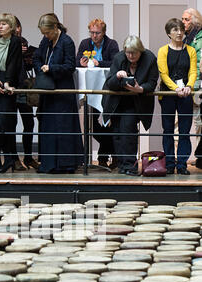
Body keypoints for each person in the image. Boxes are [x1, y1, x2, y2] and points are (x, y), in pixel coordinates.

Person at [33, 13, 83, 174]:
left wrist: (51, 68)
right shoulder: (45, 41)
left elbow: (70, 66)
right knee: (48, 127)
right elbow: (36, 58)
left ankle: (66, 164)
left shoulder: (67, 42)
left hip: (63, 91)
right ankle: (48, 164)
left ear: (55, 28)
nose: (46, 36)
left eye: (47, 32)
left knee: (63, 127)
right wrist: (41, 67)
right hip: (49, 90)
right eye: (43, 33)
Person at [102, 35, 158, 176]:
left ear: (141, 51)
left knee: (128, 132)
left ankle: (130, 165)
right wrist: (118, 76)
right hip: (116, 102)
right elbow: (110, 83)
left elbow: (152, 82)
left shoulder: (150, 58)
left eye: (134, 52)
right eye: (128, 52)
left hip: (135, 101)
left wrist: (141, 89)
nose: (131, 55)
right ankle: (122, 166)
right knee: (117, 134)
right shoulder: (119, 58)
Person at [76, 19, 119, 168]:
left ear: (104, 32)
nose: (94, 36)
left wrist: (99, 63)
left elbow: (115, 62)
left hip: (108, 89)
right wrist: (80, 63)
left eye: (97, 33)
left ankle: (105, 157)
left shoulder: (112, 44)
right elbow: (76, 61)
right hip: (91, 89)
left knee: (109, 124)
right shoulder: (84, 43)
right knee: (96, 127)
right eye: (92, 32)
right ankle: (109, 155)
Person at [158, 18, 197, 175]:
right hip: (167, 94)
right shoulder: (163, 51)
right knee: (168, 130)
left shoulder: (191, 50)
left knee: (184, 131)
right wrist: (176, 89)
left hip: (186, 94)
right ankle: (169, 163)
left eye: (181, 29)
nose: (179, 33)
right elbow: (163, 74)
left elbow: (193, 72)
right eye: (175, 30)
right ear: (169, 33)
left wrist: (188, 86)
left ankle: (181, 164)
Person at [0, 13, 22, 173]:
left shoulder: (14, 41)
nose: (1, 27)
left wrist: (7, 82)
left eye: (4, 24)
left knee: (4, 124)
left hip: (8, 84)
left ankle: (8, 159)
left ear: (11, 27)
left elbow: (13, 63)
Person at [14, 16, 38, 170]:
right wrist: (17, 53)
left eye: (19, 26)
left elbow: (28, 68)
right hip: (9, 89)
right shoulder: (2, 44)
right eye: (14, 26)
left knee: (29, 123)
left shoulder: (23, 42)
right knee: (10, 124)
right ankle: (14, 159)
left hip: (24, 88)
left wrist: (28, 57)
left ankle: (28, 157)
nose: (17, 29)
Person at [182, 8, 202, 168]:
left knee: (199, 122)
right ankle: (182, 159)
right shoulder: (184, 37)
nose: (183, 22)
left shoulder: (200, 36)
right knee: (183, 122)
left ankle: (199, 156)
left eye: (186, 19)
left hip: (198, 85)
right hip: (185, 85)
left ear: (195, 21)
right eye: (182, 19)